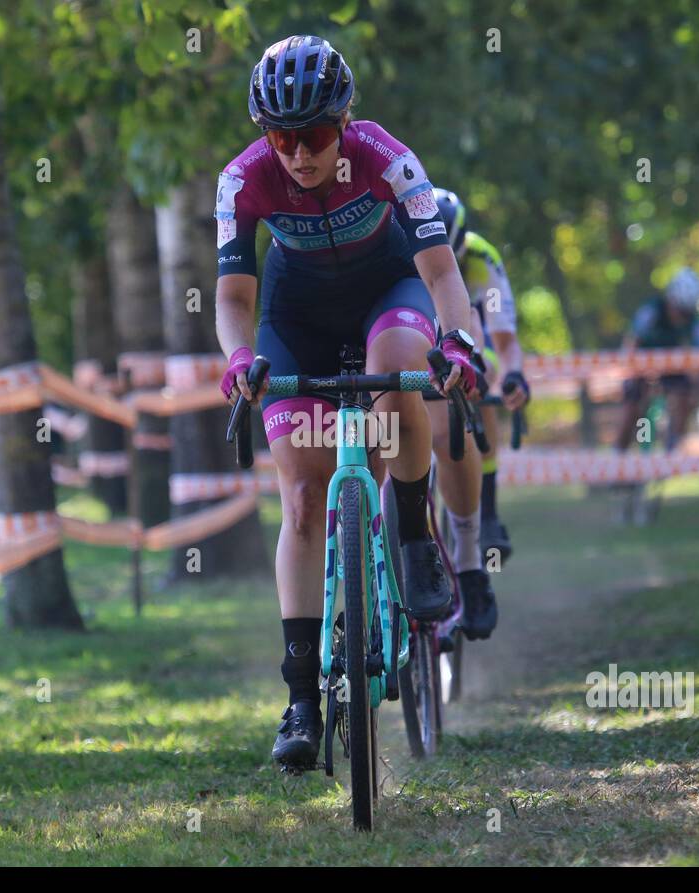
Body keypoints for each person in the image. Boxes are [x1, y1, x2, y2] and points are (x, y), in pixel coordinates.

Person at [213, 36, 482, 770]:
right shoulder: (242, 180)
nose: (299, 155)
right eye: (282, 137)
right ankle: (301, 697)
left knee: (396, 369)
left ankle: (415, 536)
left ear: (345, 122)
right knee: (301, 497)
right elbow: (234, 297)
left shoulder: (388, 158)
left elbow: (439, 270)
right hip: (294, 315)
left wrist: (457, 341)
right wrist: (240, 359)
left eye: (316, 136)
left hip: (387, 292)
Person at [433, 188, 529, 566]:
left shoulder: (481, 257)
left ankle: (487, 512)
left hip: (471, 333)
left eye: (453, 258)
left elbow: (504, 340)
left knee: (482, 369)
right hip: (421, 327)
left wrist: (514, 374)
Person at [614, 267, 699, 453]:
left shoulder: (694, 320)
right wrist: (634, 370)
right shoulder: (651, 311)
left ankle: (672, 447)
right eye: (680, 311)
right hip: (640, 368)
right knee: (632, 409)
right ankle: (619, 457)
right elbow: (631, 342)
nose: (682, 318)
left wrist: (697, 381)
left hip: (671, 369)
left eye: (686, 313)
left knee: (687, 395)